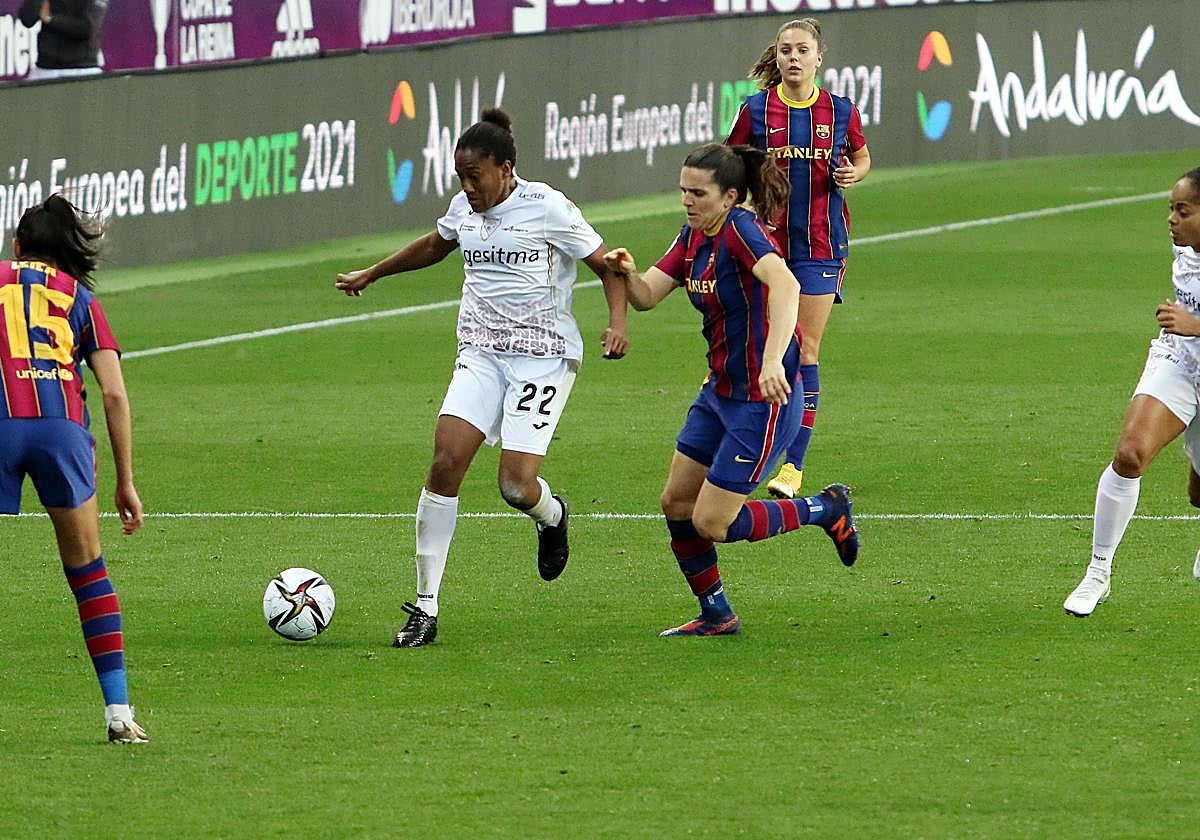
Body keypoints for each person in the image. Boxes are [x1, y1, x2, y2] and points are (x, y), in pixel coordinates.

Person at [335, 108, 629, 648]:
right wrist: (373, 273)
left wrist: (617, 323)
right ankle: (425, 607)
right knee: (444, 463)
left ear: (506, 169)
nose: (467, 188)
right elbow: (435, 244)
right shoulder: (463, 209)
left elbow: (608, 265)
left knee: (515, 487)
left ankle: (551, 515)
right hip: (481, 355)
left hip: (542, 356)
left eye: (475, 177)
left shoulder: (547, 206)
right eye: (460, 177)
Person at [602, 143, 858, 637]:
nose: (687, 201)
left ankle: (825, 508)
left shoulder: (741, 230)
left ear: (730, 197)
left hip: (763, 402)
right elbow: (648, 296)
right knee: (677, 503)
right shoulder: (693, 237)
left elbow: (786, 285)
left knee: (713, 522)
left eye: (698, 193)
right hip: (719, 393)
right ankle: (717, 615)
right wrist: (627, 273)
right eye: (683, 191)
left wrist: (772, 359)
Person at [0, 194, 147, 742]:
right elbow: (113, 394)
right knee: (87, 569)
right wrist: (125, 481)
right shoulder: (78, 296)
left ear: (17, 247)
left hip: (0, 420)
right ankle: (118, 713)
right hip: (62, 431)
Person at [726, 17, 871, 500]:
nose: (793, 57)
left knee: (805, 348)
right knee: (763, 347)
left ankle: (793, 467)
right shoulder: (756, 110)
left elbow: (862, 157)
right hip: (766, 245)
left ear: (818, 58)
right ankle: (748, 441)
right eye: (785, 50)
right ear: (778, 56)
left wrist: (854, 174)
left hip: (820, 245)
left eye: (802, 50)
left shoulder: (840, 111)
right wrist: (742, 202)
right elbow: (729, 165)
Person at [1065, 168, 1200, 617]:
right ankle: (1097, 573)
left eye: (1183, 211)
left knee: (1198, 494)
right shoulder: (1186, 247)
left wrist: (1196, 324)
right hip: (1180, 361)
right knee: (1129, 455)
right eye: (1171, 209)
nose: (1172, 220)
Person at [18, 0, 107, 81]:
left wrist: (50, 19)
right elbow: (27, 20)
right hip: (45, 68)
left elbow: (86, 29)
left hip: (82, 69)